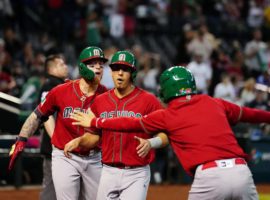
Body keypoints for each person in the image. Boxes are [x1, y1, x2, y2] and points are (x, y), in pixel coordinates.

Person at [71, 66, 270, 200]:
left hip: (209, 178)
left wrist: (97, 121)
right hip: (241, 171)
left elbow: (129, 124)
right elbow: (249, 114)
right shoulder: (213, 102)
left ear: (166, 89)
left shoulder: (167, 115)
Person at [64, 50, 169, 200]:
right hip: (107, 171)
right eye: (115, 69)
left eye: (125, 69)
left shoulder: (149, 100)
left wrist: (151, 143)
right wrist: (79, 141)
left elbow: (165, 134)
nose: (119, 73)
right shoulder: (100, 101)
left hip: (136, 173)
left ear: (132, 73)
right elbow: (94, 137)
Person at [8, 46, 109, 200]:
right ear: (82, 67)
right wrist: (22, 139)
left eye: (101, 65)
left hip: (93, 157)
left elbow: (103, 132)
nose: (98, 68)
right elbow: (37, 116)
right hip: (65, 156)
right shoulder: (61, 90)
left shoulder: (106, 95)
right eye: (92, 64)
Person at [38, 54, 69, 200]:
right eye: (62, 64)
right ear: (52, 68)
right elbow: (46, 115)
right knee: (51, 190)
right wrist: (57, 139)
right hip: (53, 148)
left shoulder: (62, 84)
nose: (66, 66)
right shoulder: (49, 85)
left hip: (62, 146)